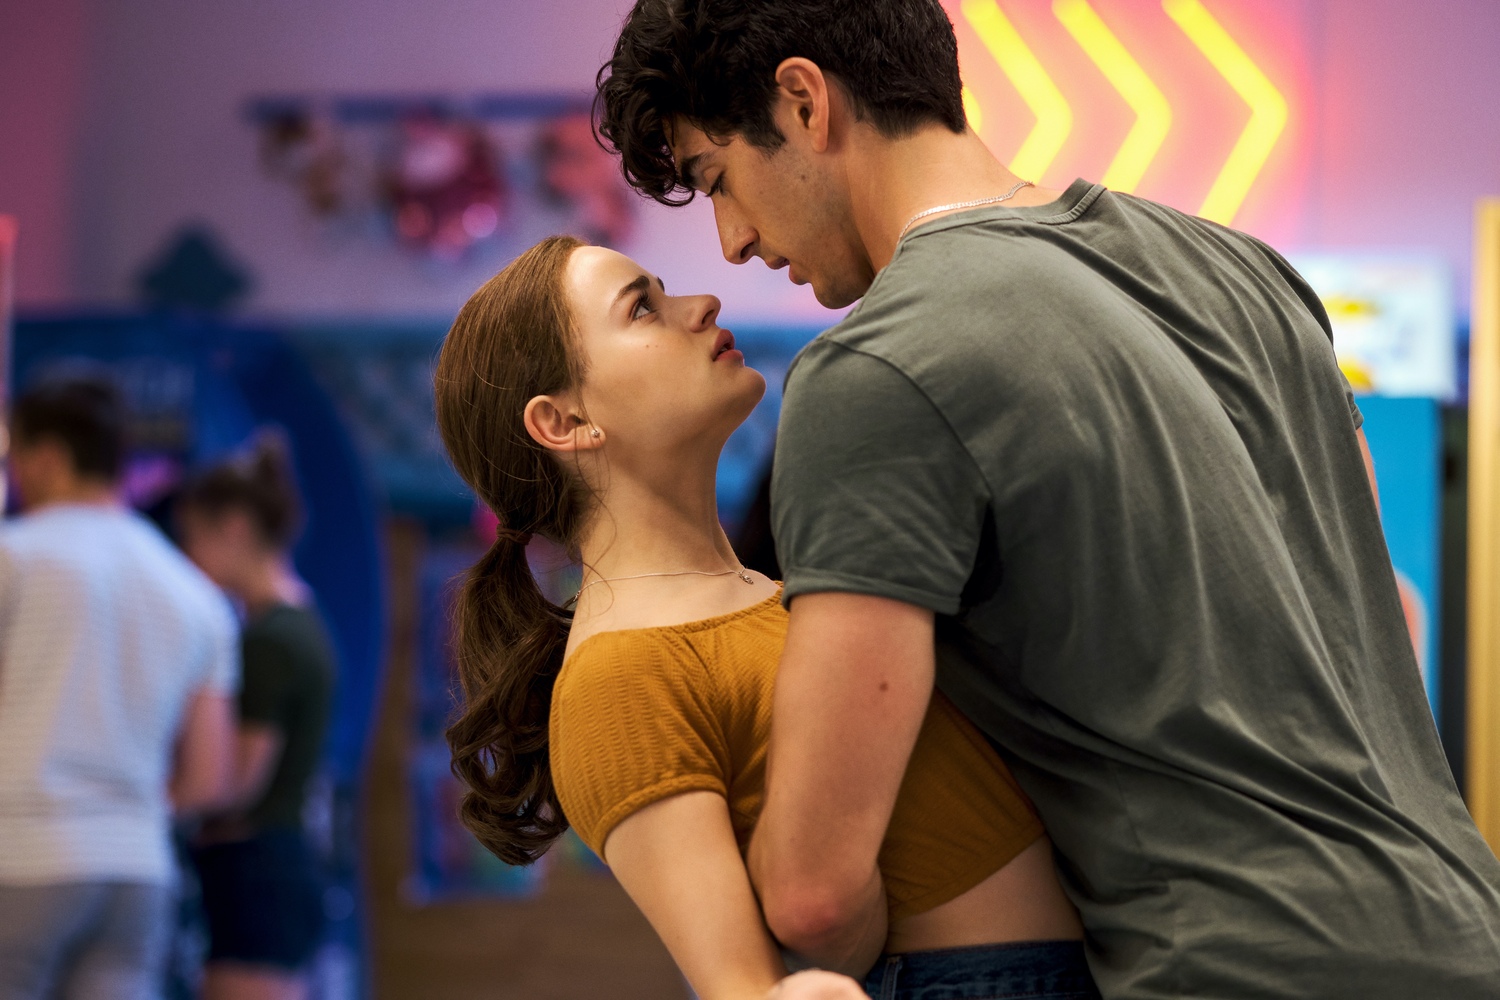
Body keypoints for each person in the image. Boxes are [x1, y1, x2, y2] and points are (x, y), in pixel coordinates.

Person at [593, 2, 1500, 998]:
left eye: (717, 179)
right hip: (1465, 926)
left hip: (1235, 970)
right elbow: (1383, 610)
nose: (731, 242)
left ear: (805, 102)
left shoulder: (881, 366)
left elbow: (813, 891)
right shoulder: (1250, 273)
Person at [433, 235, 1099, 1000]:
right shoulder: (616, 679)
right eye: (642, 308)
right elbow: (744, 988)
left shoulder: (769, 591)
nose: (702, 304)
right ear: (564, 421)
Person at [0, 374, 239, 1000]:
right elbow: (208, 778)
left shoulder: (14, 558)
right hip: (137, 869)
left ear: (47, 458)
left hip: (20, 854)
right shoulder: (196, 594)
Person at [176, 434, 336, 1000]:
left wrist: (168, 796)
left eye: (194, 537)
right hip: (269, 870)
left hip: (257, 873)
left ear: (236, 528)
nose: (190, 559)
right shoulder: (296, 622)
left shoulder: (271, 638)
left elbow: (236, 783)